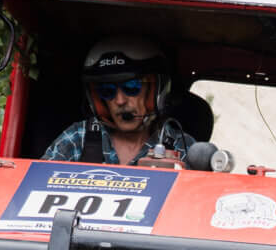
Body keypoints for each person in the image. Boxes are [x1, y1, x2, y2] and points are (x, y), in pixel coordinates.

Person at [45, 37, 195, 164]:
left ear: (154, 91)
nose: (120, 100)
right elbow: (39, 183)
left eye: (131, 87)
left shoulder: (180, 146)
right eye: (107, 91)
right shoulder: (78, 138)